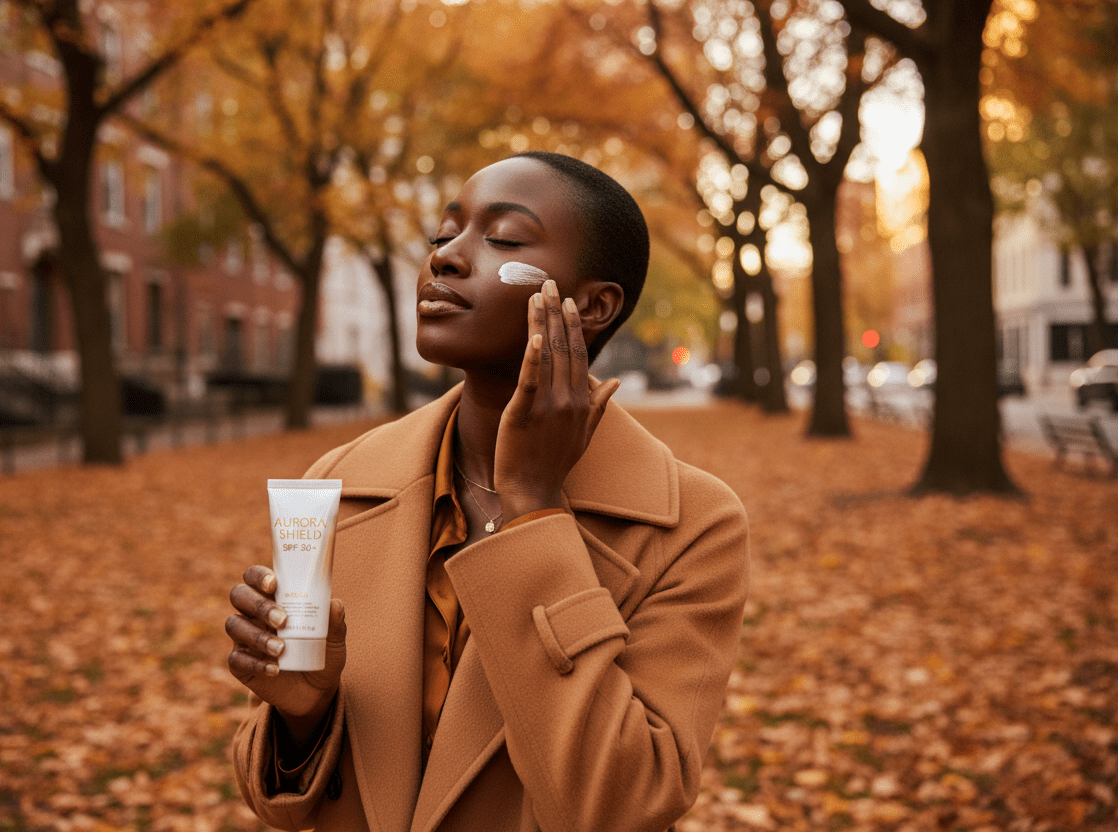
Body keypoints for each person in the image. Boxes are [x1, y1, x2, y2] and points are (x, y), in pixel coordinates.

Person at [224, 151, 749, 832]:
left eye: (502, 238)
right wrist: (302, 717)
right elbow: (276, 801)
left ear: (592, 306)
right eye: (444, 234)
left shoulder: (691, 526)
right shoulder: (340, 482)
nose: (444, 257)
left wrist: (533, 511)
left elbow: (623, 804)